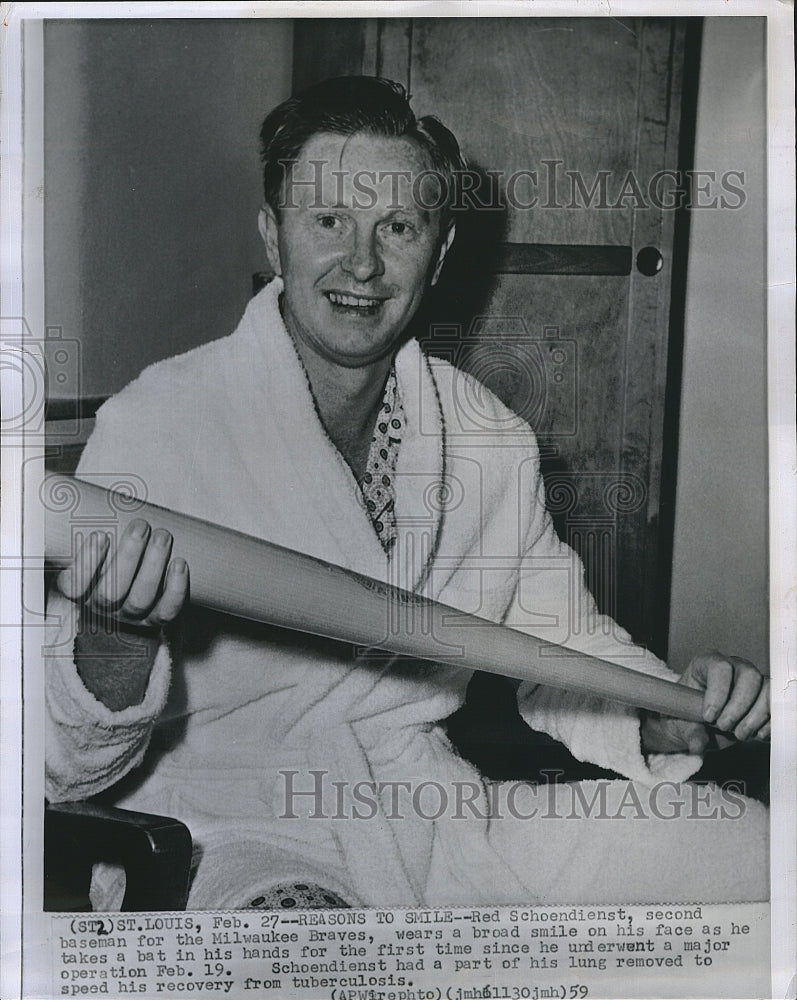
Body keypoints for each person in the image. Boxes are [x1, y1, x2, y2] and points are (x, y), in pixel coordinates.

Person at [45, 76, 769, 910]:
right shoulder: (160, 421)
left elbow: (560, 649)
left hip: (429, 815)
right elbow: (64, 766)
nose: (362, 263)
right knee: (314, 959)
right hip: (227, 830)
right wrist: (115, 635)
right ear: (275, 239)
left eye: (398, 227)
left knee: (743, 849)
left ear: (442, 247)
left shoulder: (486, 438)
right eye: (328, 222)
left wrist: (667, 713)